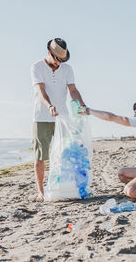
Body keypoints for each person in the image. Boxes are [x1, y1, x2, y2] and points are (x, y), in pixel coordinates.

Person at [31, 38, 86, 201]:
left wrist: (81, 104)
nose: (59, 63)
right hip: (42, 116)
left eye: (62, 60)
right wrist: (49, 106)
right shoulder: (37, 67)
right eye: (57, 59)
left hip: (63, 118)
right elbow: (41, 90)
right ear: (49, 53)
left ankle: (63, 187)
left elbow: (73, 90)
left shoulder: (67, 69)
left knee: (65, 154)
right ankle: (40, 191)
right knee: (40, 156)